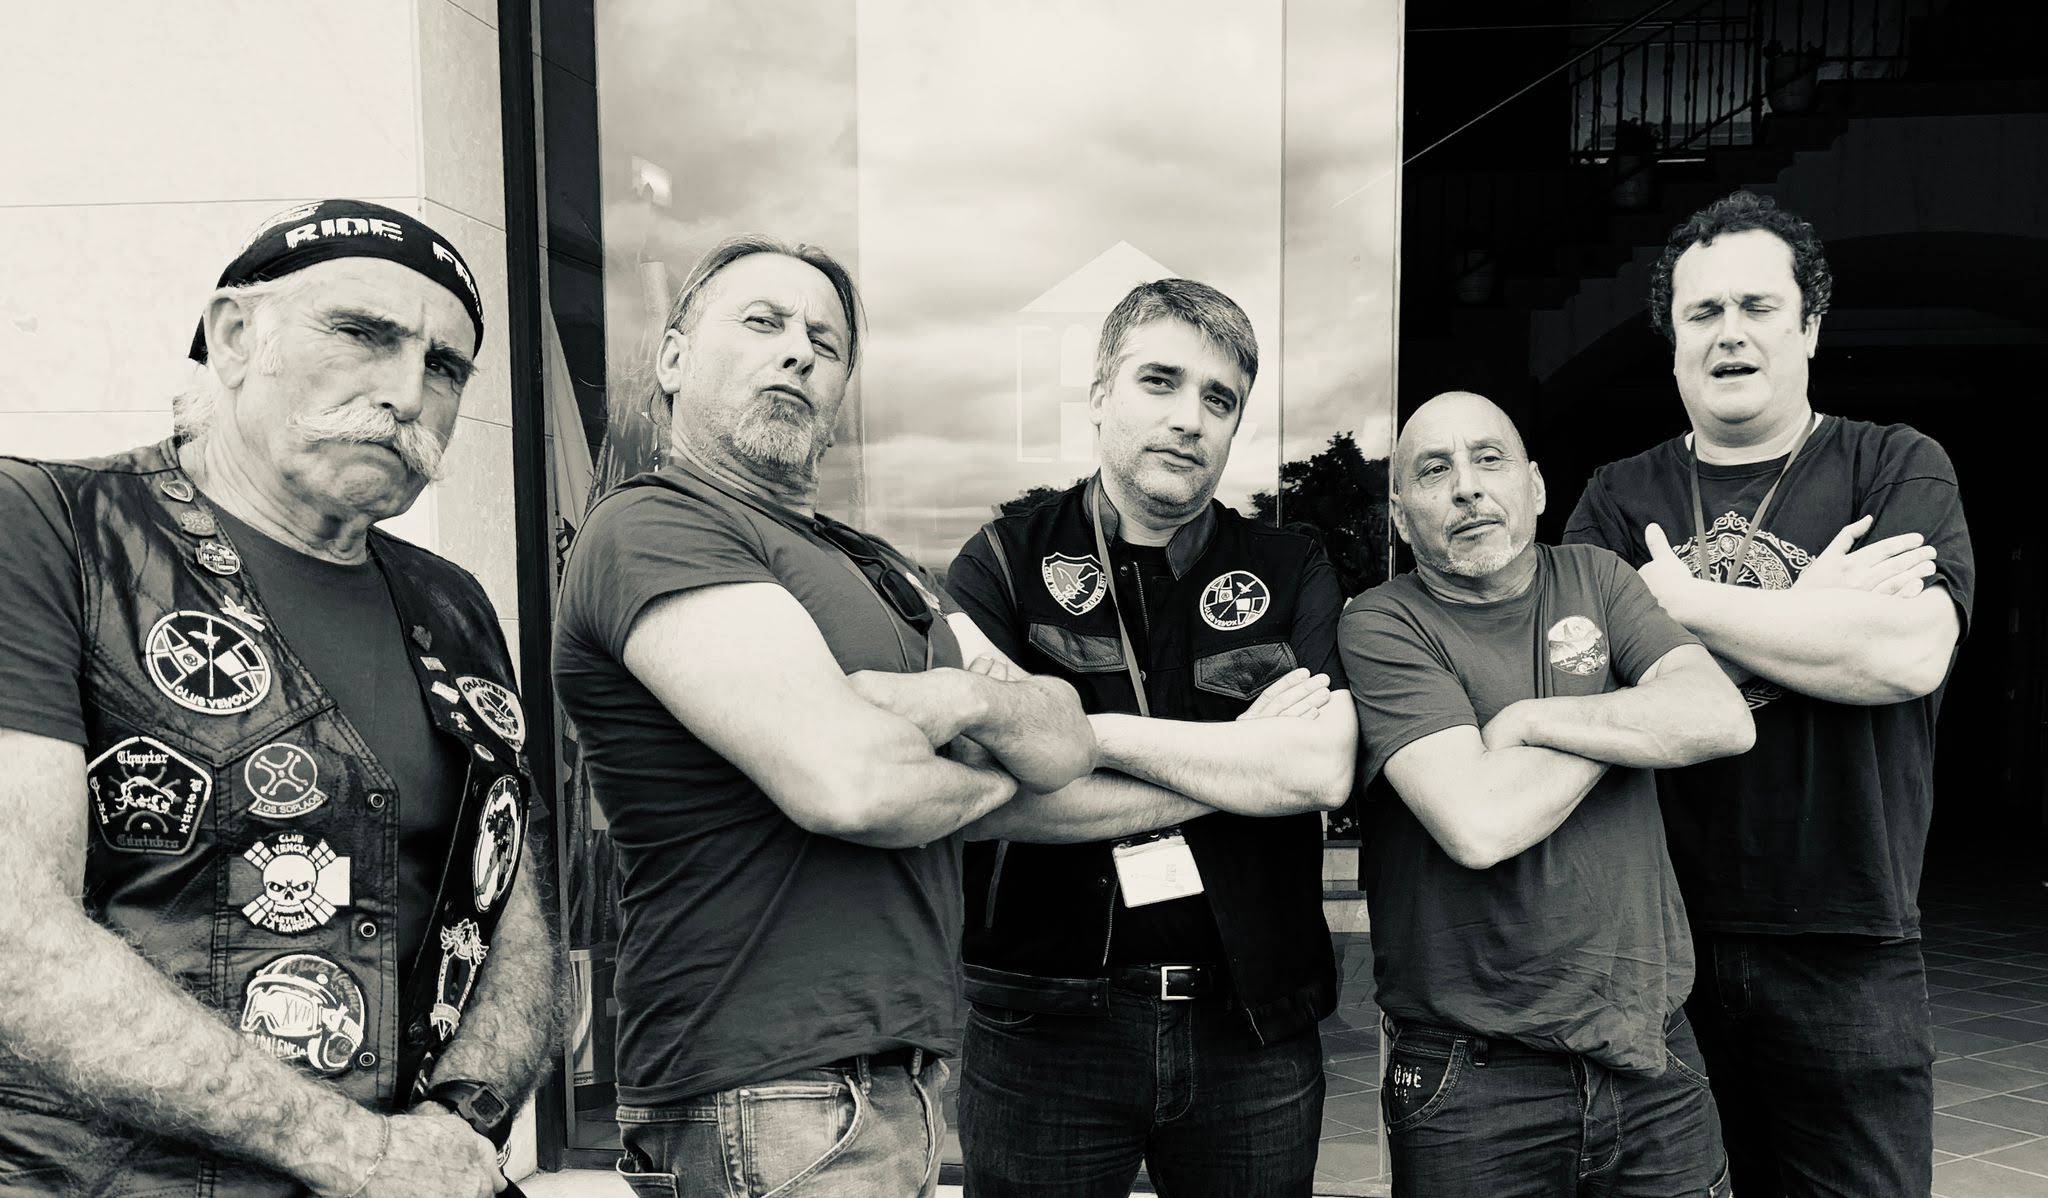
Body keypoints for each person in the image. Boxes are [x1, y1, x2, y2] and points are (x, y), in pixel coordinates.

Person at [0, 200, 561, 1197]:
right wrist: (354, 1153)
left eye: (444, 366)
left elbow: (508, 915)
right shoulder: (47, 527)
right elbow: (18, 938)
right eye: (362, 332)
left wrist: (456, 1128)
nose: (406, 393)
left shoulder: (455, 605)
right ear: (233, 336)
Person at [552, 234, 1097, 1198]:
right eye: (763, 322)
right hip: (763, 1088)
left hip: (897, 1082)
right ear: (673, 359)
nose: (798, 351)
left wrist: (963, 700)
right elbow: (854, 786)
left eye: (825, 341)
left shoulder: (877, 565)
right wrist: (986, 760)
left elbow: (1064, 734)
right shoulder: (656, 523)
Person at [1564, 191, 1973, 1196]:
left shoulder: (1894, 465)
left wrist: (1675, 605)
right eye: (1702, 312)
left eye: (1757, 306)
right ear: (1673, 342)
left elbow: (1905, 656)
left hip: (1847, 940)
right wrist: (1809, 613)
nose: (1730, 332)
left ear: (1809, 325)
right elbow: (1590, 699)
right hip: (1653, 943)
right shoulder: (1616, 497)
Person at [945, 278, 1357, 1196]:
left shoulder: (1290, 567)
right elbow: (982, 795)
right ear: (1100, 394)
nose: (1189, 419)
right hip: (1044, 1032)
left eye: (1220, 399)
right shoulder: (1005, 561)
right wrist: (1242, 765)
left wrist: (1081, 737)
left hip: (1251, 1030)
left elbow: (1321, 768)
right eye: (1160, 381)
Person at [1342, 392, 1754, 1197]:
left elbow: (1720, 719)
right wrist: (1629, 716)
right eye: (1434, 470)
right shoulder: (1383, 623)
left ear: (1534, 486)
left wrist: (1534, 720)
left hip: (1652, 1058)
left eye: (1489, 459)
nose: (1467, 486)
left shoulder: (1599, 577)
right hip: (1473, 1081)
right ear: (1400, 516)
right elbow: (1478, 821)